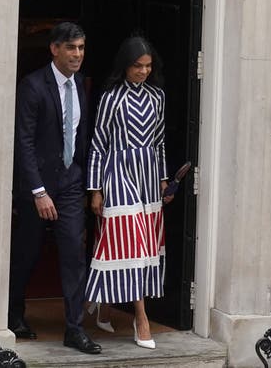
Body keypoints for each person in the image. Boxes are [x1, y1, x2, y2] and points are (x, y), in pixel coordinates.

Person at [9, 22, 101, 354]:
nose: (77, 54)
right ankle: (14, 313)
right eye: (71, 48)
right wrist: (37, 192)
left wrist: (89, 181)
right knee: (28, 251)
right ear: (54, 49)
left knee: (74, 254)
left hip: (71, 181)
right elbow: (24, 143)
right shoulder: (33, 86)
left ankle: (74, 329)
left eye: (81, 48)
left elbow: (82, 134)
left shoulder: (80, 83)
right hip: (38, 186)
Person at [86, 36, 173, 349]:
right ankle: (141, 317)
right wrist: (95, 189)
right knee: (129, 244)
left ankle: (103, 306)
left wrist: (164, 180)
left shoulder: (157, 97)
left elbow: (160, 141)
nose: (143, 72)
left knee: (135, 246)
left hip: (148, 176)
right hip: (117, 173)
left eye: (148, 66)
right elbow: (98, 144)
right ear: (125, 65)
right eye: (138, 66)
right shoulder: (111, 98)